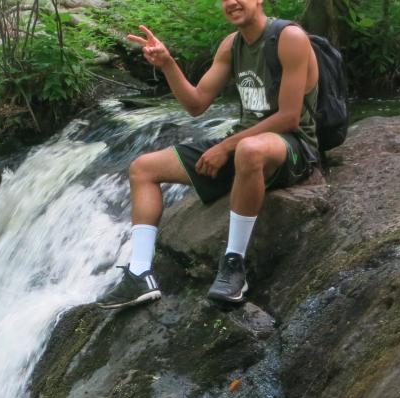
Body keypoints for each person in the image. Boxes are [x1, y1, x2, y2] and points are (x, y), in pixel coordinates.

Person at [97, 0, 321, 309]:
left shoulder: (289, 38)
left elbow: (289, 117)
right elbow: (196, 103)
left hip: (292, 145)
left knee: (248, 149)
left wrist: (225, 147)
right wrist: (167, 64)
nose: (231, 2)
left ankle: (234, 265)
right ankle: (139, 272)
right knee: (142, 168)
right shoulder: (231, 46)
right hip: (244, 144)